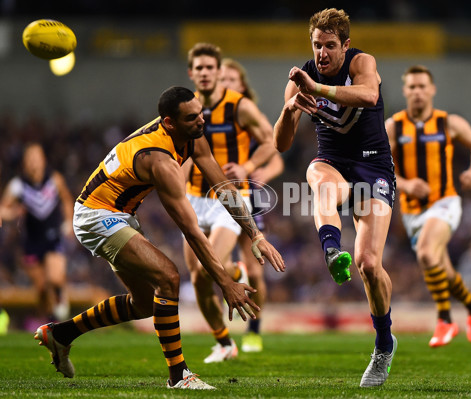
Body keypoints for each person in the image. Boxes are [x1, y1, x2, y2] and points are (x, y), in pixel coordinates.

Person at [33, 86, 285, 390]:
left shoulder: (190, 135)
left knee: (144, 305)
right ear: (169, 123)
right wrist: (226, 284)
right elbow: (191, 230)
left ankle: (60, 335)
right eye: (191, 118)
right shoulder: (159, 160)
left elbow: (224, 187)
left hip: (119, 213)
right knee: (169, 277)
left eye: (200, 114)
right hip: (96, 216)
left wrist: (255, 235)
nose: (201, 122)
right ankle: (179, 376)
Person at [273, 8, 397, 387]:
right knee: (317, 177)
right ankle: (330, 249)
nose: (322, 53)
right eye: (316, 45)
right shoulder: (299, 80)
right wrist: (291, 108)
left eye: (330, 45)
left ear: (344, 45)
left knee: (369, 265)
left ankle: (383, 344)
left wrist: (318, 90)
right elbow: (281, 144)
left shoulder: (362, 62)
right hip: (334, 163)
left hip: (374, 169)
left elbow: (368, 94)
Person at [184, 43, 278, 363]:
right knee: (197, 277)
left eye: (211, 68)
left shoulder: (239, 106)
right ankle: (224, 341)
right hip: (193, 197)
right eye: (200, 68)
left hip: (230, 198)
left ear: (219, 71)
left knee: (202, 270)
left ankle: (251, 328)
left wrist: (248, 168)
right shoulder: (184, 107)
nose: (206, 73)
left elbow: (270, 141)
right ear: (191, 73)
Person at [385, 65, 471, 348]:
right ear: (405, 91)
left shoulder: (448, 123)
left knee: (427, 255)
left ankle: (445, 320)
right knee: (442, 268)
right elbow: (379, 166)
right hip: (412, 211)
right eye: (412, 87)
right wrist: (405, 185)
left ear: (432, 90)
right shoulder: (393, 127)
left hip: (445, 201)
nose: (418, 92)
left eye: (422, 86)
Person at [220, 57, 285, 353]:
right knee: (215, 262)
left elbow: (276, 157)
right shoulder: (204, 116)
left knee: (257, 271)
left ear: (242, 85)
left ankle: (254, 330)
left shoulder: (247, 115)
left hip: (247, 197)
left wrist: (260, 171)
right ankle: (234, 274)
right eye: (222, 79)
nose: (225, 84)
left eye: (231, 80)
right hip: (210, 197)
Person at [1, 142, 74, 322]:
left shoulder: (54, 180)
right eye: (30, 159)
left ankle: (60, 295)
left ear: (43, 160)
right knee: (41, 288)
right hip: (31, 242)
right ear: (25, 163)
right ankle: (48, 321)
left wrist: (69, 222)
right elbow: (3, 209)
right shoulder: (17, 186)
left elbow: (66, 199)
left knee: (55, 279)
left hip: (52, 237)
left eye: (37, 158)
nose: (34, 163)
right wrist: (13, 213)